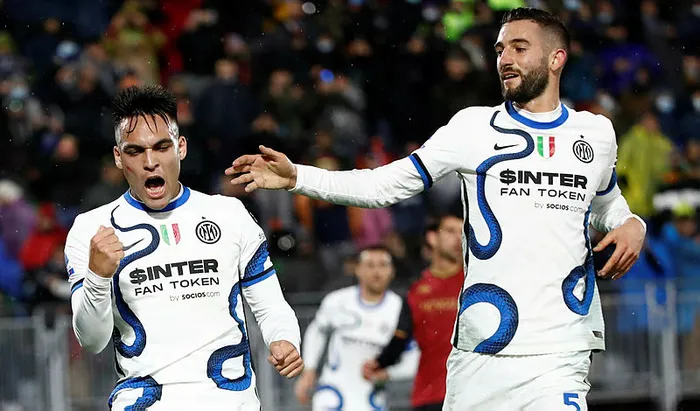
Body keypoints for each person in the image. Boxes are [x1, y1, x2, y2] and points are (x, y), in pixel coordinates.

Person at [228, 7, 647, 410]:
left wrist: (631, 223)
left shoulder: (595, 134)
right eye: (500, 49)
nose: (505, 59)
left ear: (556, 58)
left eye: (520, 48)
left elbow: (606, 202)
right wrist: (298, 177)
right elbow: (383, 186)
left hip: (560, 349)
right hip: (482, 350)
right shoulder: (473, 128)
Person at [65, 85, 303, 411]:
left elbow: (271, 304)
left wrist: (284, 338)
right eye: (135, 151)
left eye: (161, 147)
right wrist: (98, 276)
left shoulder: (229, 214)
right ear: (119, 157)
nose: (150, 162)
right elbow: (92, 341)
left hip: (229, 403)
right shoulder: (91, 230)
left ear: (181, 147)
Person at [293, 245, 419, 410]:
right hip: (333, 396)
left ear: (392, 271)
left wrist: (389, 373)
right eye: (370, 265)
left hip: (372, 400)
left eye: (382, 265)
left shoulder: (400, 309)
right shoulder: (337, 301)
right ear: (358, 269)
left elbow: (414, 355)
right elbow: (317, 331)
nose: (376, 272)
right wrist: (309, 370)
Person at [362, 212, 464, 411]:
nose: (458, 238)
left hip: (471, 395)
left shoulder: (475, 283)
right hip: (430, 395)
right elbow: (401, 337)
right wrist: (379, 363)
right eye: (451, 231)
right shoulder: (416, 290)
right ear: (432, 238)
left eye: (462, 232)